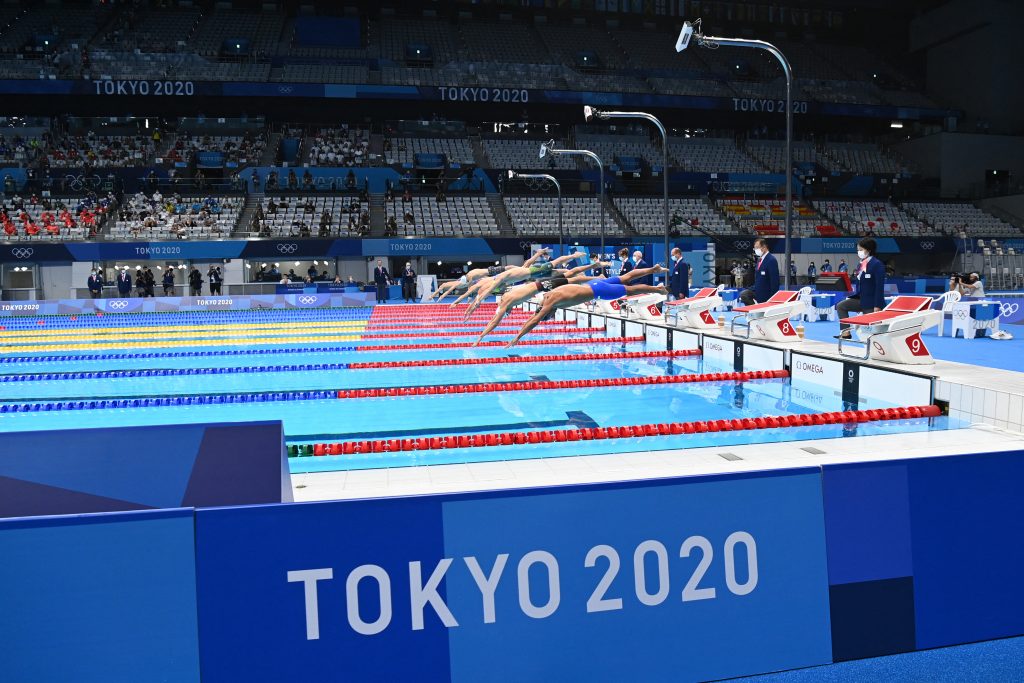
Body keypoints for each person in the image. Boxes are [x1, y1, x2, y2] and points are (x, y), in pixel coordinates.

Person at [473, 260, 618, 344]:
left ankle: (596, 272)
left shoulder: (506, 302)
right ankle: (595, 270)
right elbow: (495, 319)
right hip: (539, 284)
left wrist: (481, 336)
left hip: (541, 285)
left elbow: (494, 322)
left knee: (571, 276)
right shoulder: (507, 296)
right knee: (570, 276)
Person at [505, 276, 669, 348]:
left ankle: (658, 289)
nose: (552, 316)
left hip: (600, 291)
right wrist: (519, 331)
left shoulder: (550, 302)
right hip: (595, 284)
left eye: (550, 316)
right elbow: (535, 317)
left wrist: (518, 337)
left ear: (547, 312)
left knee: (630, 290)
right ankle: (654, 272)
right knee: (627, 279)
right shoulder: (546, 297)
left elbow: (535, 320)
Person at [460, 251, 586, 313]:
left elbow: (485, 292)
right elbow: (483, 293)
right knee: (560, 273)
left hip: (534, 271)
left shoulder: (501, 278)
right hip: (533, 275)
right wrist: (473, 305)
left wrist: (476, 303)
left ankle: (574, 255)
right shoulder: (503, 279)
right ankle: (576, 271)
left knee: (556, 263)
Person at [837, 237, 886, 340]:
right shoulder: (860, 264)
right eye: (858, 250)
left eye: (860, 249)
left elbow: (879, 287)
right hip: (860, 300)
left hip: (871, 303)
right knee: (841, 306)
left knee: (872, 333)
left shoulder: (877, 264)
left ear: (868, 250)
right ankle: (846, 333)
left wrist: (877, 305)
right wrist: (853, 298)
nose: (858, 252)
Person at [739, 238, 779, 306]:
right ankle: (753, 310)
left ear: (764, 247)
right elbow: (758, 278)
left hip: (766, 292)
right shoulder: (759, 259)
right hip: (757, 289)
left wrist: (773, 298)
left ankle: (755, 311)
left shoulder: (771, 260)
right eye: (754, 248)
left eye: (757, 248)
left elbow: (775, 280)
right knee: (744, 294)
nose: (755, 250)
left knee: (744, 294)